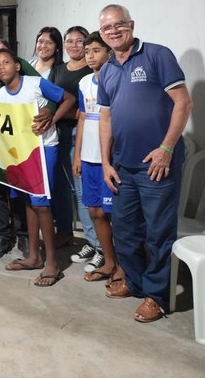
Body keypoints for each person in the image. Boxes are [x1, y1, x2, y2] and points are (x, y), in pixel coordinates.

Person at [97, 4, 192, 322]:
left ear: (132, 25)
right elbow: (106, 119)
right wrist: (105, 162)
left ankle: (157, 296)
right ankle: (135, 282)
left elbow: (183, 102)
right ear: (101, 33)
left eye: (119, 24)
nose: (113, 31)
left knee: (159, 233)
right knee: (125, 231)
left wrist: (166, 148)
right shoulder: (107, 70)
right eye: (107, 28)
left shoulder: (157, 55)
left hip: (157, 164)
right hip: (123, 166)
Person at [0, 26, 51, 260]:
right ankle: (3, 235)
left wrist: (49, 112)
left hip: (21, 141)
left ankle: (24, 235)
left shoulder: (17, 63)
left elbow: (46, 90)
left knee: (21, 189)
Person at [0, 48, 75, 286]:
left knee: (41, 203)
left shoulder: (35, 84)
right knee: (29, 201)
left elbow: (69, 99)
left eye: (6, 62)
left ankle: (52, 263)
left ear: (17, 65)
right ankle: (34, 257)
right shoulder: (0, 96)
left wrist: (51, 119)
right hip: (21, 153)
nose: (1, 67)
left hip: (44, 148)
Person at [73, 32, 118, 282]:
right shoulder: (84, 83)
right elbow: (82, 117)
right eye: (87, 51)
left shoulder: (116, 80)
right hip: (88, 157)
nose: (90, 56)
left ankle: (123, 265)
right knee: (95, 212)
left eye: (96, 51)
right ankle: (109, 261)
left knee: (114, 214)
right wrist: (77, 154)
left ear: (109, 52)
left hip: (109, 160)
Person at [49, 27, 94, 251]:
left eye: (79, 41)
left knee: (80, 188)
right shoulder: (58, 70)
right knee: (61, 187)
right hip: (59, 132)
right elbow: (49, 99)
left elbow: (89, 105)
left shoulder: (92, 68)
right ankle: (65, 232)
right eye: (69, 41)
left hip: (81, 133)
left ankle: (92, 241)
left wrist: (79, 113)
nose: (74, 45)